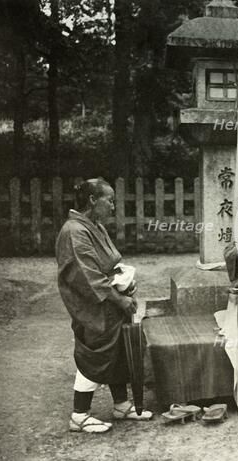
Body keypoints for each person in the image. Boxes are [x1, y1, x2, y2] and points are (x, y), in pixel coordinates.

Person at [56, 178, 152, 433]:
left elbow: (110, 262)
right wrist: (120, 298)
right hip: (93, 305)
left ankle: (121, 404)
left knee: (118, 351)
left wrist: (125, 282)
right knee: (96, 354)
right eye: (109, 200)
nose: (113, 205)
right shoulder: (75, 231)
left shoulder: (93, 226)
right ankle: (79, 414)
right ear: (92, 200)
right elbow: (89, 277)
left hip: (110, 300)